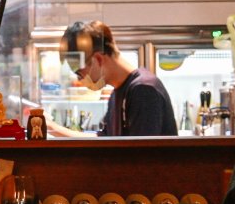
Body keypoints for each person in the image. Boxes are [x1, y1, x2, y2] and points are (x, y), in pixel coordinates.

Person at [48, 20, 178, 137]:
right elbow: (103, 141)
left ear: (98, 59)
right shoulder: (117, 93)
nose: (80, 80)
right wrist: (51, 127)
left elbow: (141, 158)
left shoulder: (143, 90)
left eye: (80, 74)